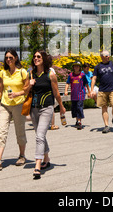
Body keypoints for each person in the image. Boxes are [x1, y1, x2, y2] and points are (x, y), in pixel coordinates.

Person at [25, 50, 66, 179]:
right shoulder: (30, 74)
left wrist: (61, 106)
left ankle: (37, 165)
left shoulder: (50, 74)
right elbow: (24, 91)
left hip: (47, 108)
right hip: (34, 109)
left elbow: (56, 93)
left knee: (40, 135)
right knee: (39, 135)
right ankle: (47, 159)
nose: (36, 58)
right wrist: (29, 85)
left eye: (39, 56)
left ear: (44, 59)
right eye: (35, 56)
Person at [0, 49, 28, 172]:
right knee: (1, 132)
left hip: (19, 104)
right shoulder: (3, 73)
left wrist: (17, 94)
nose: (8, 60)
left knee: (19, 131)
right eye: (6, 58)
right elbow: (0, 89)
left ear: (16, 58)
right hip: (4, 104)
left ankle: (22, 155)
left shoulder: (22, 72)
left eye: (10, 57)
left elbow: (27, 88)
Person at [91, 50, 113, 133]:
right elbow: (94, 78)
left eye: (108, 55)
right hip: (102, 90)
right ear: (102, 57)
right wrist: (92, 90)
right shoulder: (98, 66)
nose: (108, 57)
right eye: (106, 56)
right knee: (104, 107)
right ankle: (106, 126)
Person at [64, 62, 89, 130]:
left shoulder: (82, 75)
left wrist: (89, 92)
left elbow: (86, 84)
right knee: (74, 108)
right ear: (73, 67)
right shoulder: (71, 75)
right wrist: (66, 90)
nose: (76, 68)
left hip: (80, 94)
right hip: (73, 95)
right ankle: (77, 120)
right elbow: (67, 83)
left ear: (80, 67)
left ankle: (79, 122)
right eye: (75, 66)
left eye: (78, 66)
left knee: (79, 107)